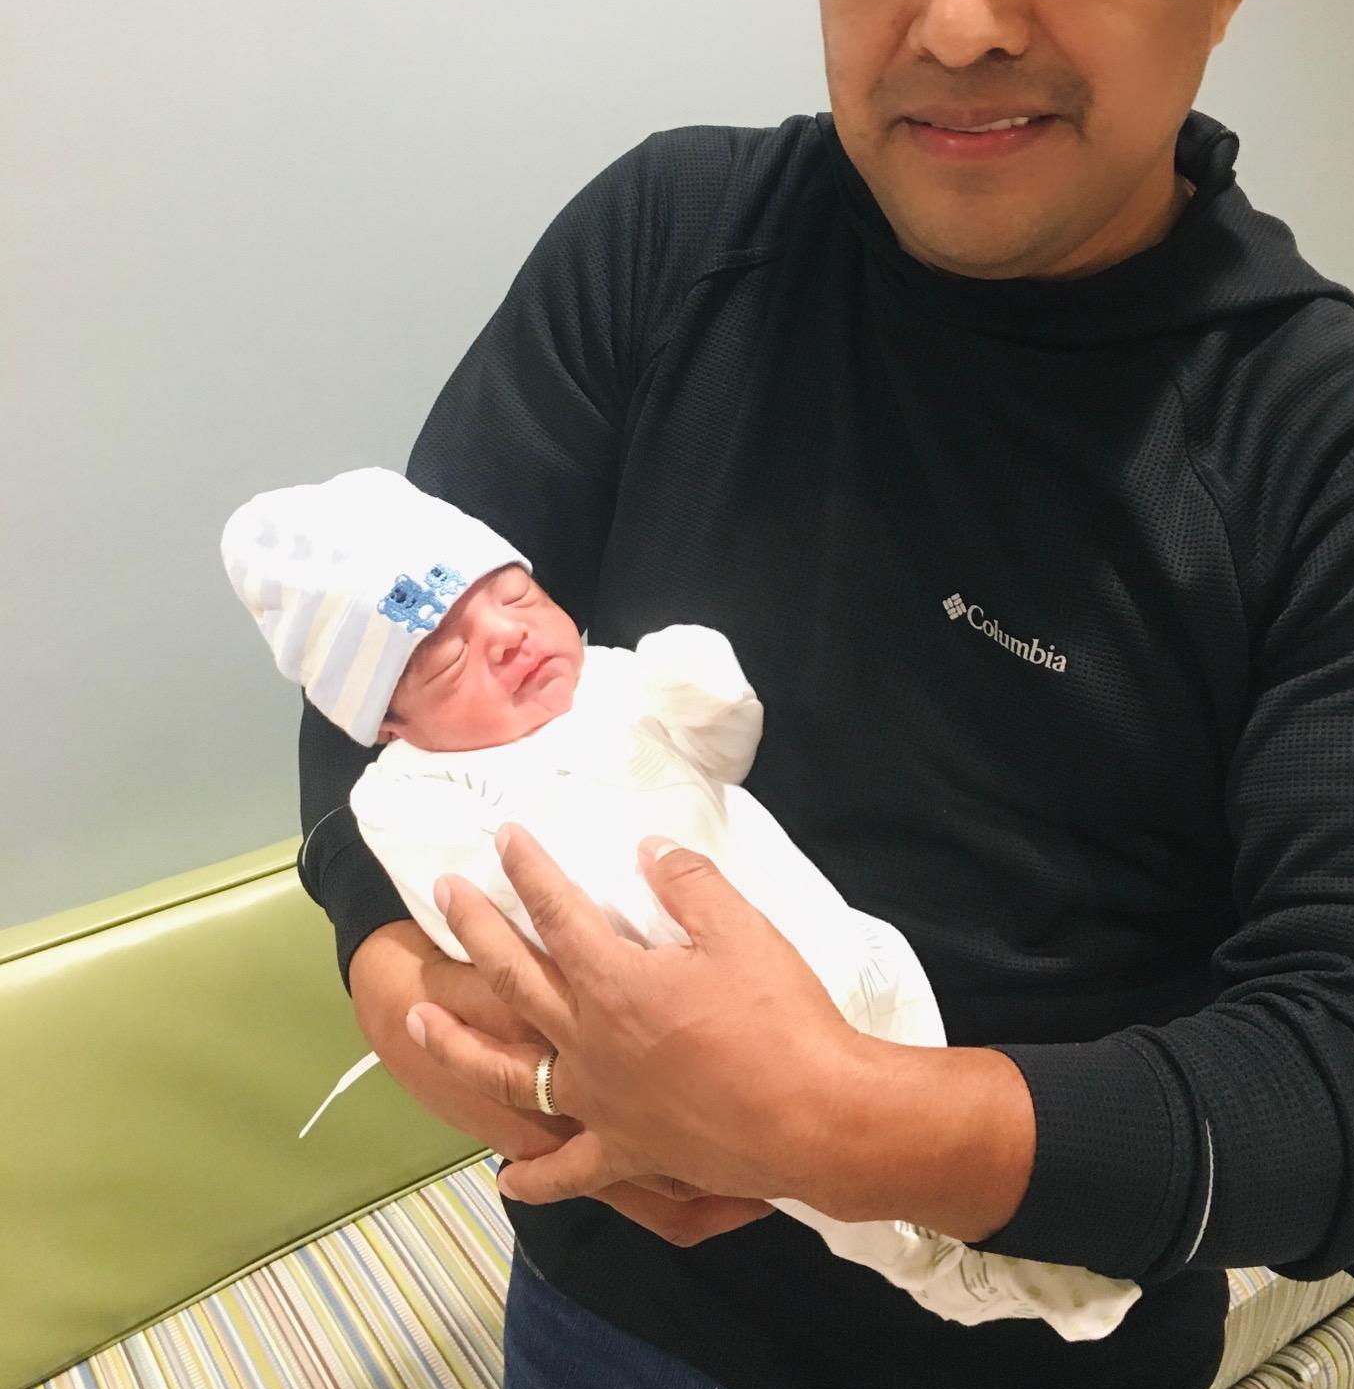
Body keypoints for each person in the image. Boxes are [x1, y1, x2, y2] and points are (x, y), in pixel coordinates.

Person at [294, 0, 1354, 1389]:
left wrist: (841, 1119)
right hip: (603, 1340)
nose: (951, 19)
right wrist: (419, 1011)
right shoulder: (668, 250)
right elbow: (373, 662)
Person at [224, 464, 1141, 1335]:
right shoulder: (407, 792)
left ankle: (993, 1224)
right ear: (389, 723)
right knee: (806, 1167)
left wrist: (699, 686)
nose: (504, 636)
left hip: (823, 939)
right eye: (444, 655)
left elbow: (727, 746)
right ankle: (941, 1273)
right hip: (664, 1025)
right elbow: (461, 905)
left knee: (909, 1063)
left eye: (514, 597)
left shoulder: (613, 679)